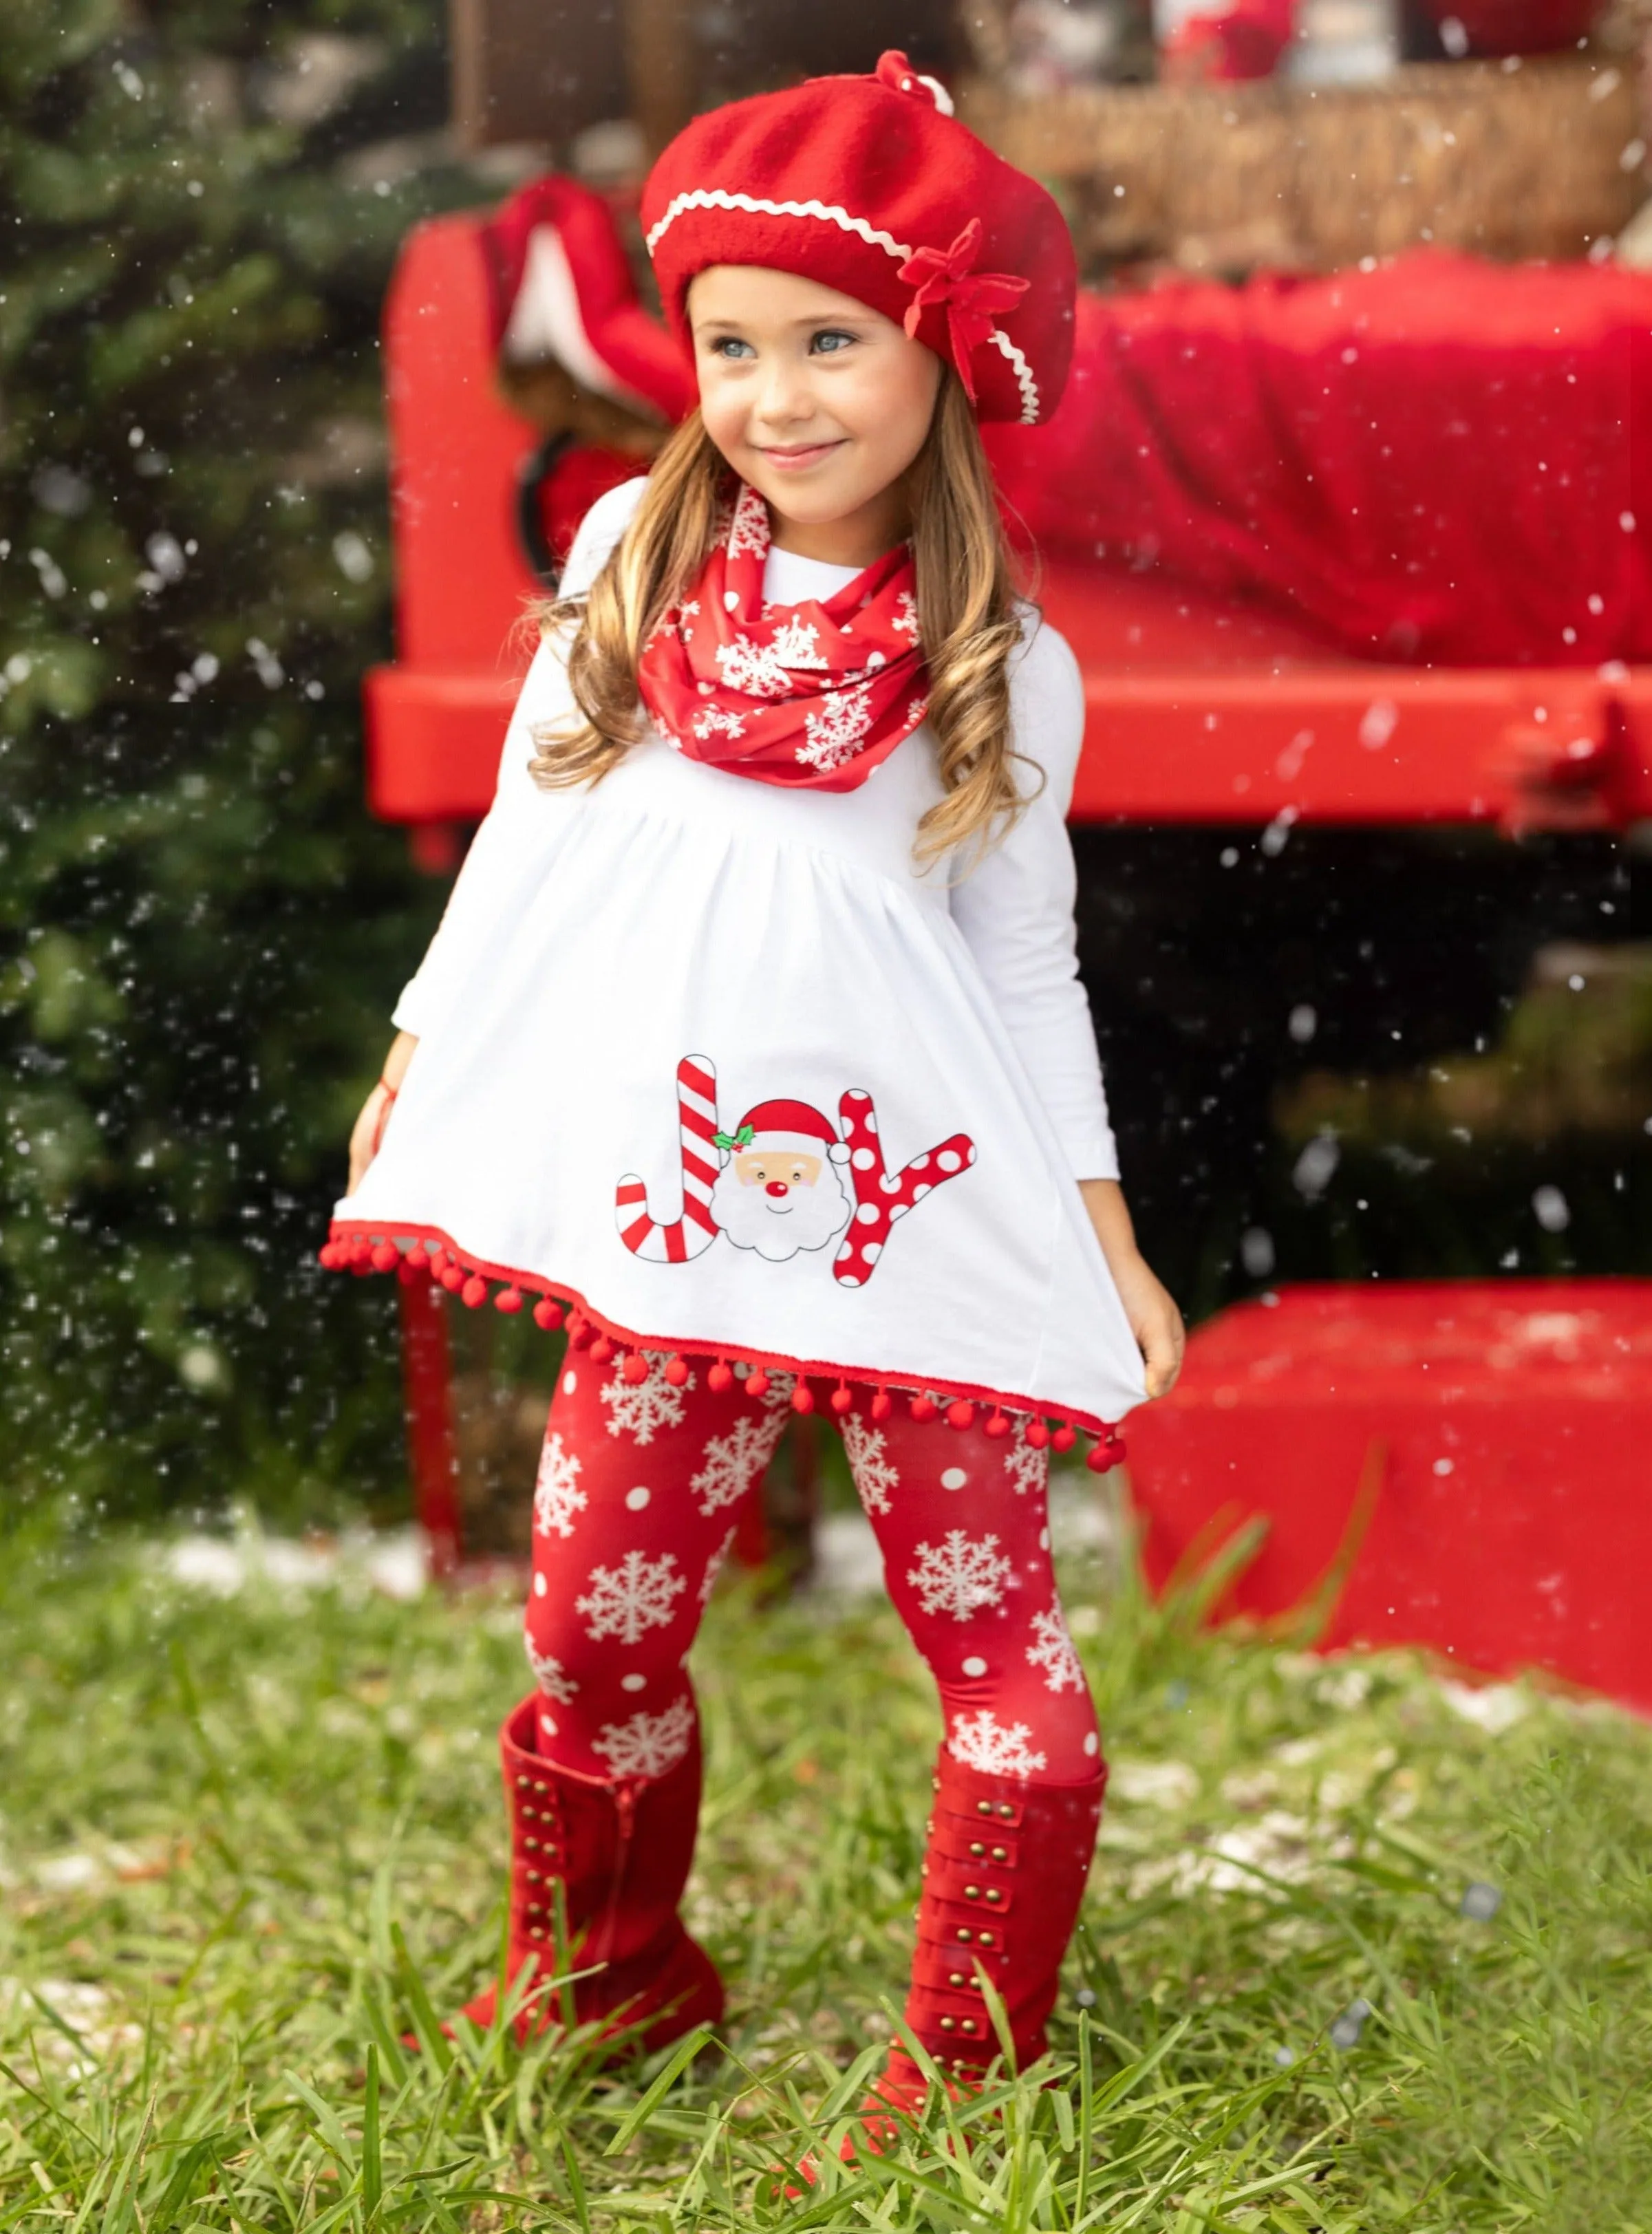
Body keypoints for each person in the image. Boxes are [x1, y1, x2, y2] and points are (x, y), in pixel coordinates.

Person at [327, 50, 1184, 2139]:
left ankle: (967, 2073)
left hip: (919, 1205)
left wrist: (1100, 1226)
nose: (778, 395)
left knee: (995, 1637)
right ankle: (610, 1971)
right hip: (672, 1206)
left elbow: (1023, 961)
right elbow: (535, 831)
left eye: (832, 342)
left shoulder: (1002, 661)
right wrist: (424, 1047)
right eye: (731, 345)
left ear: (946, 356)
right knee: (592, 1615)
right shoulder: (636, 551)